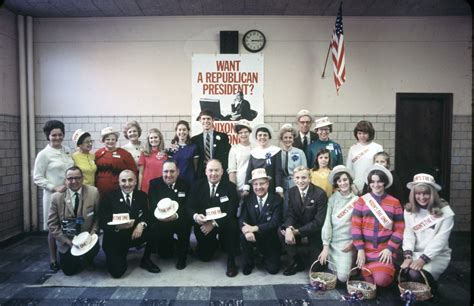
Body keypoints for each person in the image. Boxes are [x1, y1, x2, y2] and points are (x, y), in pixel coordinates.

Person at [400, 173, 454, 295]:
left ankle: (432, 288)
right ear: (413, 194)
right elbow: (409, 234)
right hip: (415, 253)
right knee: (404, 272)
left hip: (436, 255)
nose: (422, 197)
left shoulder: (445, 212)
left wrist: (423, 259)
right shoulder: (409, 211)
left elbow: (440, 240)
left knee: (414, 274)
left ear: (433, 194)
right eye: (418, 193)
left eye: (426, 193)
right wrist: (408, 256)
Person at [99, 170, 160, 278]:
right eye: (123, 181)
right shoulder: (109, 197)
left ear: (135, 181)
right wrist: (117, 226)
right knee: (117, 273)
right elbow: (102, 221)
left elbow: (147, 214)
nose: (127, 184)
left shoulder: (141, 195)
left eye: (130, 180)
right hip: (115, 238)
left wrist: (141, 224)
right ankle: (120, 255)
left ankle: (146, 260)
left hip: (134, 234)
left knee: (155, 226)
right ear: (119, 182)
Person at [352, 164, 404, 287]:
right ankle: (368, 270)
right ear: (369, 183)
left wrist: (390, 249)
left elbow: (400, 229)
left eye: (380, 181)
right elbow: (355, 227)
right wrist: (360, 249)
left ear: (385, 183)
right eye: (373, 182)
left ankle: (388, 270)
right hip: (365, 250)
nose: (376, 185)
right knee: (370, 284)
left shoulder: (394, 202)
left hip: (384, 251)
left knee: (381, 281)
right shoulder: (362, 201)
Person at [33, 119, 74, 272]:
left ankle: (70, 253)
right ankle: (52, 258)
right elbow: (37, 177)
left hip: (69, 195)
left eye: (60, 135)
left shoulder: (67, 150)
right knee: (53, 227)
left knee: (68, 225)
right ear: (48, 136)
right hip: (52, 196)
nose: (57, 138)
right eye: (54, 135)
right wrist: (54, 187)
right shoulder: (43, 154)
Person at [187, 159, 240, 277]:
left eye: (217, 170)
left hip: (224, 224)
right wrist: (196, 217)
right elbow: (189, 207)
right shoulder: (197, 185)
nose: (213, 173)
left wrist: (213, 223)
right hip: (203, 224)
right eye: (210, 170)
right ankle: (214, 243)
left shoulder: (230, 187)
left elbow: (232, 211)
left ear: (222, 172)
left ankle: (231, 261)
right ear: (206, 171)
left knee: (233, 224)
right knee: (205, 257)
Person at [47, 166, 100, 275]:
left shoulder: (93, 192)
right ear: (65, 180)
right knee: (69, 271)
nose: (74, 181)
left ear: (83, 178)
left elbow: (98, 217)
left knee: (94, 249)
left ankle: (87, 259)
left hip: (87, 239)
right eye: (70, 178)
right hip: (68, 240)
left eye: (77, 178)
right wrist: (66, 241)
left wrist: (92, 235)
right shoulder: (57, 197)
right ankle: (72, 258)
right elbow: (52, 224)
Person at [280, 166, 328, 276]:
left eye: (303, 177)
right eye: (297, 178)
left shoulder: (320, 194)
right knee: (281, 231)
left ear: (310, 178)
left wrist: (298, 231)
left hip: (314, 231)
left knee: (316, 269)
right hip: (297, 226)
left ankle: (312, 257)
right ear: (293, 179)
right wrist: (288, 228)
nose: (300, 181)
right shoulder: (291, 192)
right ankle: (295, 261)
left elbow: (318, 222)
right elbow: (290, 213)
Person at [148, 160, 191, 270]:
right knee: (165, 255)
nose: (168, 175)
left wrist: (176, 216)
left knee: (185, 225)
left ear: (178, 172)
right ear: (162, 172)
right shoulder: (154, 184)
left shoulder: (186, 184)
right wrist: (162, 217)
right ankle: (173, 243)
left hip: (179, 219)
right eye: (165, 171)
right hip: (162, 221)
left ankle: (182, 257)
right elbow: (153, 206)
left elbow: (187, 206)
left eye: (172, 171)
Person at [318, 165, 358, 282]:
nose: (342, 183)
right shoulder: (332, 199)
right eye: (339, 181)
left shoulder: (357, 200)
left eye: (345, 180)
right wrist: (325, 246)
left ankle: (350, 267)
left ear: (349, 180)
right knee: (337, 276)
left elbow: (360, 227)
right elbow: (327, 224)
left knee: (342, 278)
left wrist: (353, 243)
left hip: (348, 244)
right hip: (333, 243)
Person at [240, 168, 283, 275]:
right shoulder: (248, 200)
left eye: (262, 184)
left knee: (273, 270)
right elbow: (242, 219)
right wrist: (247, 231)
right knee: (243, 236)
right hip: (253, 236)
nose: (259, 187)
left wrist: (254, 228)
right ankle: (249, 261)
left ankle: (264, 256)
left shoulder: (276, 200)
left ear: (268, 184)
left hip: (270, 237)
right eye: (255, 184)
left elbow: (275, 222)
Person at [95, 127, 137, 198]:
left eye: (113, 139)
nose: (110, 141)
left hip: (118, 190)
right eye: (108, 139)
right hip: (100, 190)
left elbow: (133, 171)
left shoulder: (124, 154)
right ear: (103, 140)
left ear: (116, 140)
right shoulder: (98, 154)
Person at [243, 123, 284, 198]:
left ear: (269, 137)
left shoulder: (276, 151)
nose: (262, 137)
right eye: (260, 135)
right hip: (256, 187)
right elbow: (249, 171)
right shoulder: (253, 152)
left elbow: (278, 171)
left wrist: (278, 188)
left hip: (271, 187)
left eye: (265, 135)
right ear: (256, 137)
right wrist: (246, 188)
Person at [191, 110, 231, 179]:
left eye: (208, 118)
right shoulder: (195, 140)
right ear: (200, 120)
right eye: (203, 119)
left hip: (218, 173)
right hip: (201, 175)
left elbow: (228, 155)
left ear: (213, 120)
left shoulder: (223, 136)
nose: (206, 121)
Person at [346, 120, 383, 194]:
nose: (362, 136)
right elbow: (348, 169)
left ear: (370, 133)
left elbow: (381, 170)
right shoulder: (353, 148)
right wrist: (352, 186)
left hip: (373, 186)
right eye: (359, 133)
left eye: (365, 133)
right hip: (356, 187)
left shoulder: (377, 148)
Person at [279, 123, 307, 217]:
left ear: (293, 138)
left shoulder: (299, 152)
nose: (288, 140)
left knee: (295, 205)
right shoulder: (278, 152)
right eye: (285, 137)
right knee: (283, 206)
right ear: (281, 139)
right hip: (282, 182)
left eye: (290, 137)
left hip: (296, 182)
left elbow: (305, 169)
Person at [228, 119, 253, 197]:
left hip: (254, 184)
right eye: (240, 133)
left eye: (245, 132)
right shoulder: (234, 149)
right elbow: (232, 170)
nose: (243, 135)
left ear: (249, 133)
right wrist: (233, 188)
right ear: (237, 134)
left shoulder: (256, 147)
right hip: (240, 184)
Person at [138, 128, 168, 193]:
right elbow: (141, 173)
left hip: (161, 185)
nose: (153, 139)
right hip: (147, 186)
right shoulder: (144, 153)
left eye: (155, 137)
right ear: (148, 140)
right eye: (151, 138)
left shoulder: (165, 154)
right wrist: (139, 188)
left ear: (160, 139)